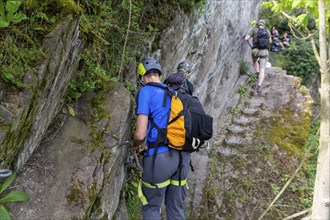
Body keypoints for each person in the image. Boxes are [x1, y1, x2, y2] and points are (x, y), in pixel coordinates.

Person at [133, 57, 191, 220]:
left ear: (142, 76)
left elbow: (140, 134)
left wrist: (135, 145)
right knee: (175, 210)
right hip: (181, 158)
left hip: (159, 158)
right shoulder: (173, 92)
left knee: (151, 208)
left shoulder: (145, 91)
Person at [244, 19, 272, 94]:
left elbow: (246, 38)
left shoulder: (254, 30)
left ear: (258, 24)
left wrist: (245, 37)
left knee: (254, 61)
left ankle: (257, 72)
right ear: (264, 24)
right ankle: (259, 86)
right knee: (262, 69)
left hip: (255, 51)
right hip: (264, 52)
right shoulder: (267, 31)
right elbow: (270, 42)